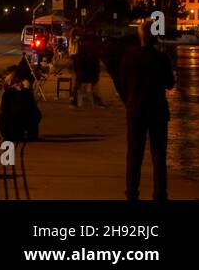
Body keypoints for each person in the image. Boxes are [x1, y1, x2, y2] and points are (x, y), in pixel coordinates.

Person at [118, 20, 176, 200]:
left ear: (141, 36)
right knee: (159, 156)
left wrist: (129, 101)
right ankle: (160, 194)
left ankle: (132, 192)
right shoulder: (161, 58)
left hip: (136, 110)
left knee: (134, 155)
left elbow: (121, 84)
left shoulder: (129, 57)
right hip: (157, 110)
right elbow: (170, 84)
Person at [0, 66, 42, 142]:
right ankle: (31, 135)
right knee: (33, 113)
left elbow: (3, 110)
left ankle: (9, 136)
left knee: (0, 117)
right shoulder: (27, 92)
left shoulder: (7, 93)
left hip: (14, 123)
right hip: (27, 122)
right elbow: (36, 112)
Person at [72, 30, 104, 107]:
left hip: (86, 70)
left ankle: (80, 102)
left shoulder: (84, 47)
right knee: (89, 87)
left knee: (83, 87)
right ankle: (94, 102)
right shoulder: (91, 48)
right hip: (88, 71)